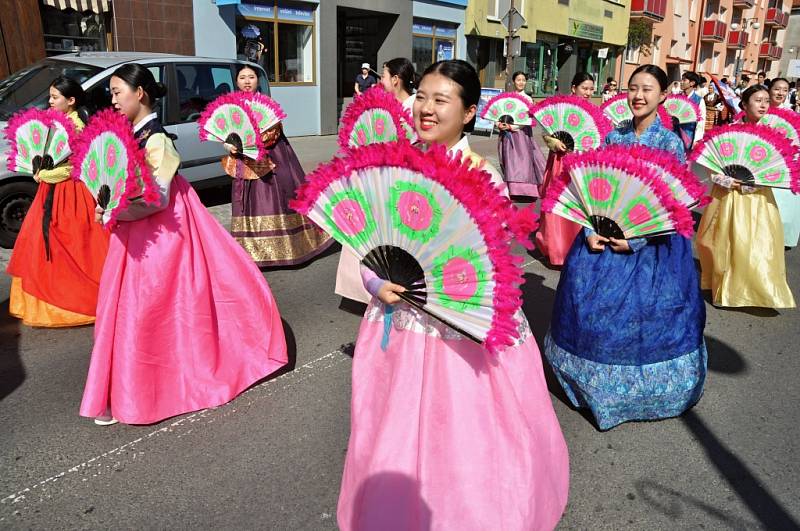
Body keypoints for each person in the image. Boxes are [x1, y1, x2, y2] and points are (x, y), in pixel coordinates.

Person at [337, 59, 569, 531]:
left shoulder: (484, 175)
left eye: (440, 100)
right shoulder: (394, 165)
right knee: (393, 429)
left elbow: (494, 262)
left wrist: (447, 286)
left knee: (466, 433)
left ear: (468, 113)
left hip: (459, 330)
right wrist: (378, 283)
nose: (425, 108)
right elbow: (368, 245)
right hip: (399, 324)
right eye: (421, 96)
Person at [80, 64, 288, 425]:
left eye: (117, 92)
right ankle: (126, 388)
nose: (112, 100)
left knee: (149, 309)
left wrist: (116, 211)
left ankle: (149, 388)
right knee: (130, 309)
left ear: (139, 93)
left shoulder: (156, 140)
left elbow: (156, 199)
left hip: (161, 235)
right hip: (138, 234)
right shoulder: (130, 135)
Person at [544, 64, 707, 431]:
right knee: (591, 312)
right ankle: (591, 389)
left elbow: (672, 206)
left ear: (663, 96)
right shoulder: (613, 138)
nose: (638, 95)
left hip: (651, 252)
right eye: (633, 87)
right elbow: (594, 189)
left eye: (648, 89)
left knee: (645, 320)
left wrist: (636, 237)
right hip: (603, 244)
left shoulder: (669, 144)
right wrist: (589, 228)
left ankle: (645, 392)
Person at [6, 76, 109, 327]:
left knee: (73, 245)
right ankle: (51, 301)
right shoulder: (58, 123)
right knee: (44, 243)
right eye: (50, 96)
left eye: (55, 97)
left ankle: (77, 302)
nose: (50, 101)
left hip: (71, 192)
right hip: (52, 192)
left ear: (71, 101)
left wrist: (45, 175)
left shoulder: (77, 126)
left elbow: (77, 166)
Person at [695, 85, 795, 308]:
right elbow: (712, 169)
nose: (763, 105)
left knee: (759, 245)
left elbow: (774, 170)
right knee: (723, 242)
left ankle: (758, 289)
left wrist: (756, 182)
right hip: (727, 198)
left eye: (766, 101)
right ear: (744, 104)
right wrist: (729, 181)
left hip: (759, 199)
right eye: (757, 100)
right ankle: (724, 288)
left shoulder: (773, 135)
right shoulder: (729, 131)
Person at [224, 65, 332, 267]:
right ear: (236, 81)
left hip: (271, 155)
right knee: (245, 202)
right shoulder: (231, 107)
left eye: (252, 77)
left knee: (276, 195)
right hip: (243, 160)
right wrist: (231, 144)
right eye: (242, 77)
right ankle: (251, 251)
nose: (247, 81)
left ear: (258, 80)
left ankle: (289, 245)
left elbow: (274, 131)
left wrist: (253, 144)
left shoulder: (268, 103)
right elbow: (226, 132)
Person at [335, 58, 418, 305]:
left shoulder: (415, 108)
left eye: (382, 76)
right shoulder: (382, 107)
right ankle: (364, 287)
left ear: (395, 79)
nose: (380, 81)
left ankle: (392, 284)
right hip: (375, 178)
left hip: (401, 180)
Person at [535, 72, 595, 266]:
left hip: (580, 165)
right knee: (557, 203)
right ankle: (556, 249)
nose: (587, 92)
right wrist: (555, 142)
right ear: (573, 88)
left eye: (590, 89)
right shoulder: (561, 109)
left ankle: (575, 246)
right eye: (584, 88)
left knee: (578, 204)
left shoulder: (593, 111)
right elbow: (546, 133)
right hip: (559, 163)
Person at [496, 71, 546, 198]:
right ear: (513, 81)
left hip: (521, 134)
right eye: (518, 80)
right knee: (509, 160)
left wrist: (512, 126)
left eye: (523, 80)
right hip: (507, 134)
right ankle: (512, 189)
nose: (521, 82)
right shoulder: (508, 97)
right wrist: (498, 124)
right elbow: (499, 113)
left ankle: (526, 190)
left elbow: (526, 120)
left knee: (523, 160)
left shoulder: (527, 98)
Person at [767, 78, 800, 249]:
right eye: (777, 89)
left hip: (782, 168)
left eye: (784, 90)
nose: (780, 93)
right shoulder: (760, 111)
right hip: (761, 166)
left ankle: (780, 238)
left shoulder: (792, 116)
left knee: (782, 208)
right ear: (769, 89)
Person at [679, 71, 706, 149]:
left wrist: (697, 139)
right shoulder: (677, 98)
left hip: (689, 135)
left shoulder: (699, 100)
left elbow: (701, 122)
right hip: (674, 135)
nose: (681, 82)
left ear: (692, 83)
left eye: (684, 80)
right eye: (681, 80)